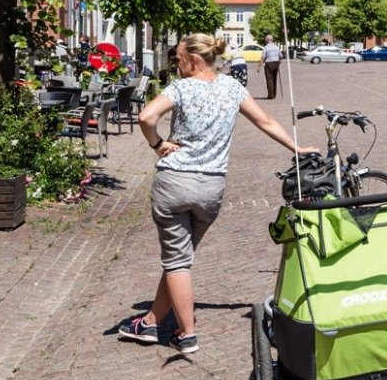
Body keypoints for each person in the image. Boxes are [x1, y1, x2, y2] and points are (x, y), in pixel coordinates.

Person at [119, 32, 309, 356]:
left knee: (177, 261)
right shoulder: (232, 88)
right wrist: (297, 147)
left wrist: (157, 143)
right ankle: (150, 321)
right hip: (211, 189)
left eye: (179, 58)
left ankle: (186, 334)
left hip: (175, 183)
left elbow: (146, 116)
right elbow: (264, 121)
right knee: (180, 258)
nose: (176, 64)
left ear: (194, 60)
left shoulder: (181, 88)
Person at [260, 35, 283, 100]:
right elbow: (281, 56)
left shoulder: (266, 47)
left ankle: (270, 95)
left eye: (265, 39)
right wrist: (279, 61)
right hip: (276, 63)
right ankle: (274, 94)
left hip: (269, 64)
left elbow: (263, 57)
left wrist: (259, 66)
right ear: (272, 40)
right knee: (274, 79)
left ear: (267, 40)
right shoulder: (276, 47)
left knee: (269, 79)